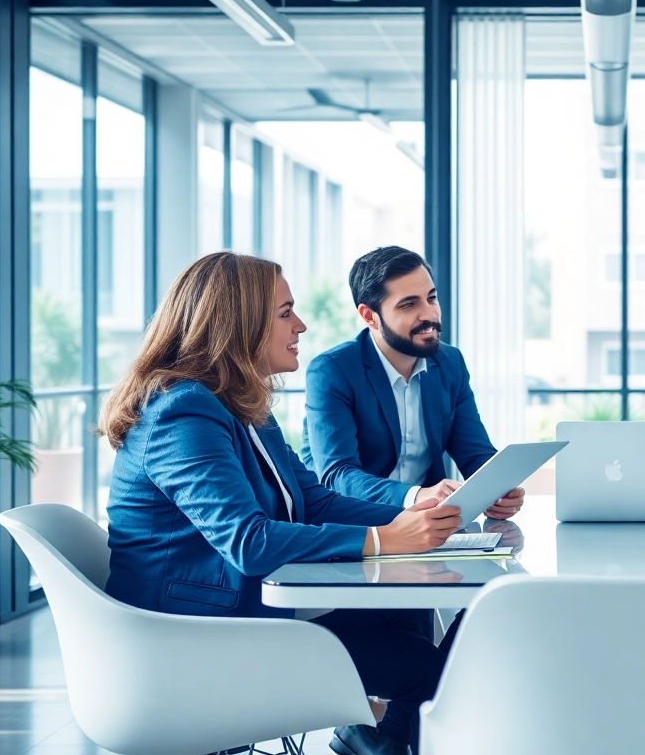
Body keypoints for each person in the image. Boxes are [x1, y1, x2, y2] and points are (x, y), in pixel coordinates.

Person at [100, 252, 460, 755]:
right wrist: (382, 540)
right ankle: (386, 740)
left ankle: (377, 743)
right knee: (426, 669)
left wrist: (412, 517)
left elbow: (309, 498)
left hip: (240, 618)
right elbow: (247, 541)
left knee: (404, 613)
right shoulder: (183, 411)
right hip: (192, 644)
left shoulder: (240, 402)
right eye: (285, 312)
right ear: (238, 324)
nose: (302, 325)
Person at [303, 246, 522, 519]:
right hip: (354, 527)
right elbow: (337, 475)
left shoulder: (449, 363)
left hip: (428, 529)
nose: (429, 314)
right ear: (369, 316)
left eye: (431, 298)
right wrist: (418, 495)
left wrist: (498, 489)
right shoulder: (332, 370)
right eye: (409, 304)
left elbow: (474, 454)